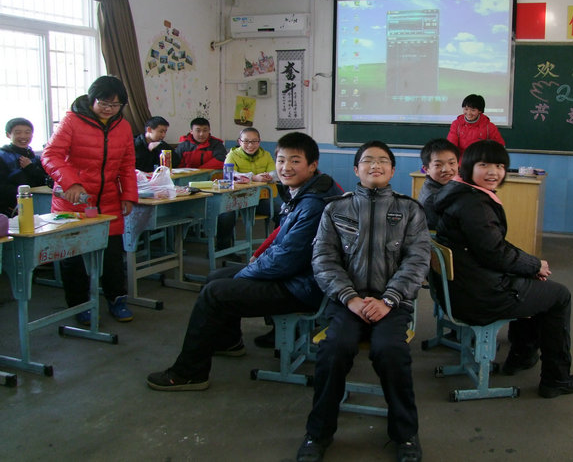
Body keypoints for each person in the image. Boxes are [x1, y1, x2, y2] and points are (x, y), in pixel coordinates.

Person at [146, 132, 343, 391]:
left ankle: (189, 373)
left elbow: (286, 260)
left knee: (216, 292)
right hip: (297, 276)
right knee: (216, 277)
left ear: (312, 165)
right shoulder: (311, 189)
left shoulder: (313, 204)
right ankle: (229, 342)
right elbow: (283, 243)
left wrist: (248, 272)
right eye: (281, 160)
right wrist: (255, 263)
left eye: (295, 161)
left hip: (303, 287)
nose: (285, 168)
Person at [297, 141, 429, 462]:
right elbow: (323, 259)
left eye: (383, 161)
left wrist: (389, 300)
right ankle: (317, 434)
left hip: (392, 304)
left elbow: (417, 261)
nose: (375, 165)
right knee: (333, 350)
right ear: (356, 169)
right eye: (368, 160)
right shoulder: (335, 209)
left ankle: (405, 435)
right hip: (348, 302)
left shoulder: (410, 210)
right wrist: (350, 298)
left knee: (391, 351)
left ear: (392, 170)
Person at [433, 140, 573, 398]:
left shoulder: (459, 193)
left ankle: (522, 356)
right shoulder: (475, 205)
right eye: (484, 165)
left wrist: (531, 265)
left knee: (534, 285)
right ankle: (556, 379)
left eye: (500, 166)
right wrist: (535, 265)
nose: (494, 172)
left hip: (461, 289)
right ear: (469, 167)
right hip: (479, 296)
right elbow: (495, 253)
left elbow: (494, 245)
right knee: (559, 296)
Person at [41, 75, 138, 324]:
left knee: (113, 256)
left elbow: (127, 164)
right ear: (92, 99)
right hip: (74, 201)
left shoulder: (123, 126)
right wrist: (71, 182)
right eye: (104, 103)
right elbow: (51, 155)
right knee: (74, 258)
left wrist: (128, 195)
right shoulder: (72, 121)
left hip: (109, 201)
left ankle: (117, 300)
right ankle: (79, 305)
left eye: (115, 105)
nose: (109, 109)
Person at [217, 127, 276, 251]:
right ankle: (224, 249)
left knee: (284, 213)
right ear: (239, 141)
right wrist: (254, 177)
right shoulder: (232, 155)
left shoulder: (266, 155)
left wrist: (269, 176)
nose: (250, 145)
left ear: (259, 142)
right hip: (236, 200)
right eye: (246, 141)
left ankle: (277, 246)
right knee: (226, 217)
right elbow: (230, 174)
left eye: (254, 141)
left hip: (260, 199)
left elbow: (274, 172)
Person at [0, 117, 47, 217]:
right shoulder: (2, 157)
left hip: (37, 207)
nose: (23, 136)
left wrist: (30, 167)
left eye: (27, 132)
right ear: (8, 135)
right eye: (18, 132)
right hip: (10, 210)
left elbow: (45, 182)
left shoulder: (36, 159)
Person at [417, 137, 459, 230]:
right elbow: (442, 230)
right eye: (438, 165)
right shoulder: (432, 198)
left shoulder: (446, 185)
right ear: (426, 169)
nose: (447, 169)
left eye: (451, 163)